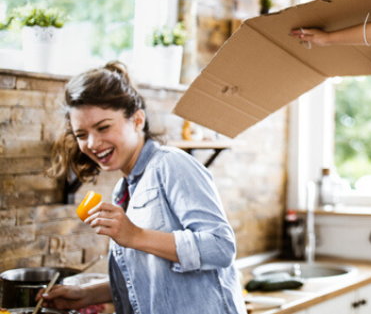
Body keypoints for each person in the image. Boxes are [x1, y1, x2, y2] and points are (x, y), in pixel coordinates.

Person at [41, 62, 246, 314]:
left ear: (137, 120)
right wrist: (84, 295)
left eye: (103, 127)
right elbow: (148, 278)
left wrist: (136, 236)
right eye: (81, 134)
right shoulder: (124, 190)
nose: (92, 143)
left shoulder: (171, 164)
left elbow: (221, 247)